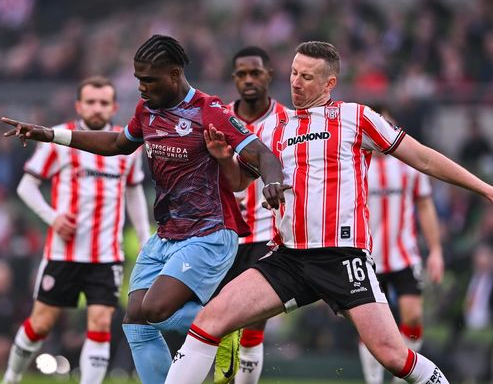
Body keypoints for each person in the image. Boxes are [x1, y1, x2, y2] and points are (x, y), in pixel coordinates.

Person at [164, 41, 493, 384]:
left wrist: (484, 188)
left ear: (329, 83)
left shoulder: (357, 117)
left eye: (306, 76)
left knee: (394, 356)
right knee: (209, 321)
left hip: (342, 257)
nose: (295, 82)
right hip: (288, 259)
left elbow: (422, 157)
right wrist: (220, 157)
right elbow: (237, 183)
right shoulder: (273, 127)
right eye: (293, 73)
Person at [1, 34, 286, 384]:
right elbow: (118, 143)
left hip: (210, 232)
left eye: (148, 79)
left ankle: (224, 325)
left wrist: (273, 182)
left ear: (174, 73)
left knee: (155, 309)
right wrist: (51, 135)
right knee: (135, 321)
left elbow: (264, 155)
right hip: (167, 234)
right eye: (138, 79)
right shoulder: (147, 111)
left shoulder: (209, 111)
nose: (141, 87)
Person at [1, 76, 151, 384]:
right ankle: (11, 378)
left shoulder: (128, 145)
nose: (97, 108)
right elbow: (26, 186)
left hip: (107, 254)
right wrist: (52, 216)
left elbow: (134, 190)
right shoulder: (59, 139)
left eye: (104, 103)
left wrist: (145, 234)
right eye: (91, 102)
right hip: (63, 251)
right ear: (79, 106)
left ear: (114, 106)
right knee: (41, 324)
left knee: (99, 321)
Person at [213, 46, 287, 384]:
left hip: (267, 236)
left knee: (254, 322)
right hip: (224, 235)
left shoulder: (287, 121)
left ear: (269, 75)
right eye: (241, 74)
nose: (248, 80)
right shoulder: (218, 118)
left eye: (255, 73)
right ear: (234, 78)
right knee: (219, 320)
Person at [359, 107, 444, 384]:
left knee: (414, 316)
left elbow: (425, 205)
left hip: (404, 255)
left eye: (387, 123)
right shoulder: (357, 162)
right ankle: (374, 381)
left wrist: (436, 251)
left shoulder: (409, 164)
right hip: (368, 258)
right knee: (370, 326)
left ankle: (403, 379)